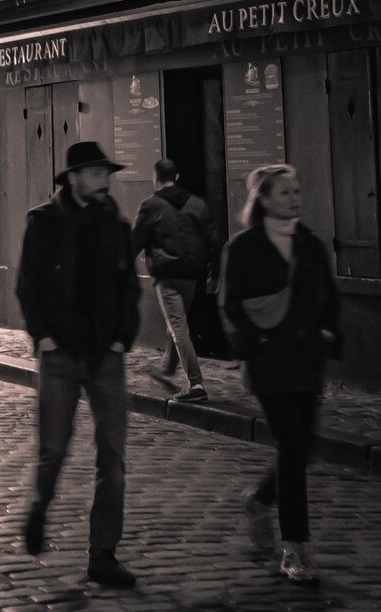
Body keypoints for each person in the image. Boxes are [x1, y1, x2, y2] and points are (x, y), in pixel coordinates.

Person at [16, 139, 141, 589]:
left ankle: (103, 554)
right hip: (61, 354)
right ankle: (39, 507)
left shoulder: (115, 224)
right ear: (72, 178)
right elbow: (28, 284)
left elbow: (129, 284)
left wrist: (124, 337)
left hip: (106, 353)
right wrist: (43, 337)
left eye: (105, 173)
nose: (103, 181)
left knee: (113, 458)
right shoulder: (44, 222)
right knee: (53, 450)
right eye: (93, 174)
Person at [219, 163, 341, 587]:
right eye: (285, 192)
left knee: (302, 449)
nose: (295, 198)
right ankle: (295, 547)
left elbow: (330, 294)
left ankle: (258, 500)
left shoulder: (310, 244)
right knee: (291, 443)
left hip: (306, 359)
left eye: (297, 190)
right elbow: (231, 303)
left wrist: (329, 332)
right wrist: (254, 343)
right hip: (269, 362)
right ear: (264, 199)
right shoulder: (244, 246)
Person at [132, 158, 213, 404]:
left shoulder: (151, 206)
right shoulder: (197, 204)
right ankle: (167, 370)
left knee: (177, 325)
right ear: (176, 177)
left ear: (154, 178)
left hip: (166, 275)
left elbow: (135, 240)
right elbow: (211, 239)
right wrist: (213, 272)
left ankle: (196, 383)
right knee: (177, 322)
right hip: (191, 275)